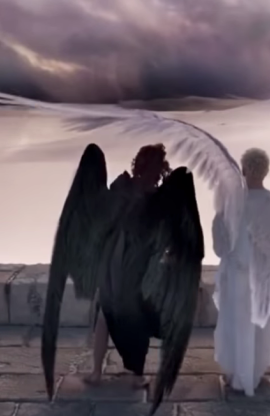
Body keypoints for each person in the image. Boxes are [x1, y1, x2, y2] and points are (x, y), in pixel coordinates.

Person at [83, 143, 172, 388]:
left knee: (105, 313)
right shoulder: (157, 200)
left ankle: (96, 372)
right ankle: (136, 375)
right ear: (159, 169)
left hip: (113, 260)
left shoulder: (121, 186)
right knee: (137, 318)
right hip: (138, 265)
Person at [212, 148, 270, 396]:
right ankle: (255, 373)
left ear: (244, 169)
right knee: (262, 327)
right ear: (265, 170)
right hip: (266, 278)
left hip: (237, 275)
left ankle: (238, 376)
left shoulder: (231, 204)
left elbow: (220, 247)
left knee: (236, 324)